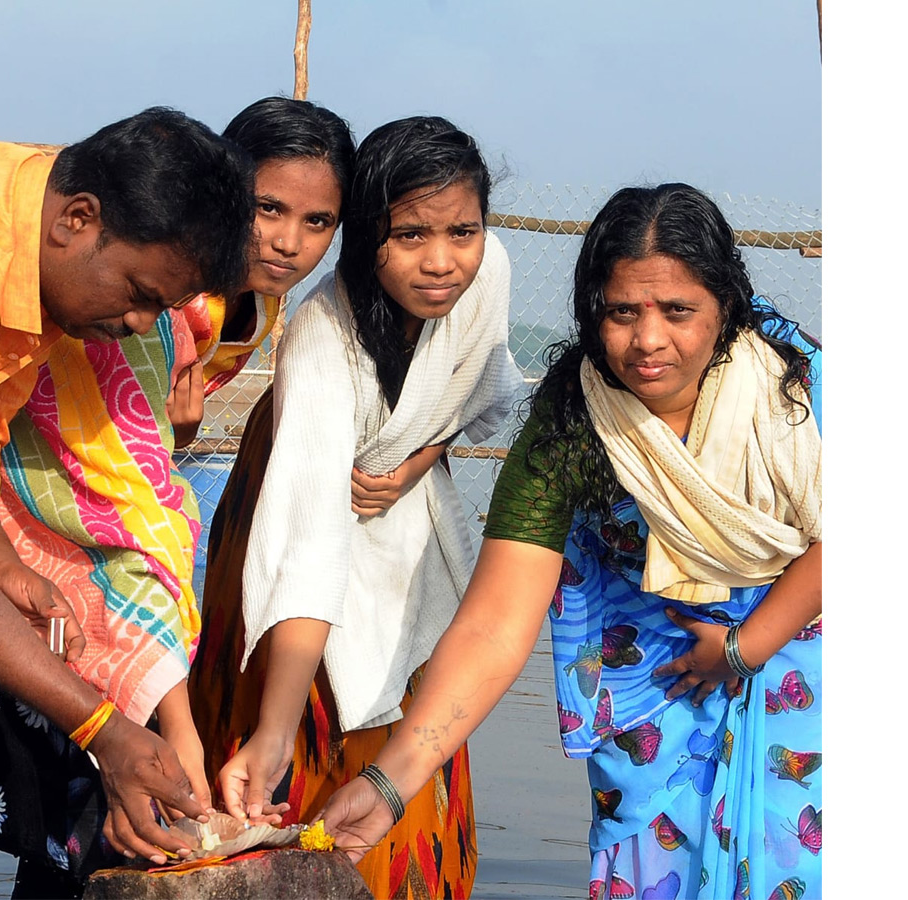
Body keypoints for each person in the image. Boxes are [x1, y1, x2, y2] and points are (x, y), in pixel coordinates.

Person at [0, 97, 356, 897]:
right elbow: (102, 487)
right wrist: (138, 729)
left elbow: (39, 436)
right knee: (95, 827)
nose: (287, 240)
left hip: (43, 564)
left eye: (317, 221)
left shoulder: (230, 299)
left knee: (100, 826)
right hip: (45, 571)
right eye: (268, 208)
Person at [320, 183, 822, 900]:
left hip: (805, 679)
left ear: (726, 308)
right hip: (658, 703)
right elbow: (496, 624)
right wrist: (390, 782)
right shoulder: (569, 429)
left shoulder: (797, 389)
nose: (648, 341)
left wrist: (745, 649)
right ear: (593, 314)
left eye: (678, 311)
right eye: (622, 313)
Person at [189, 116, 524, 899]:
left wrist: (417, 458)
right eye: (408, 235)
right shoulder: (320, 339)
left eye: (461, 231)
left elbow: (476, 393)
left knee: (413, 731)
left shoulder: (490, 271)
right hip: (287, 523)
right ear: (368, 235)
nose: (441, 261)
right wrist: (271, 734)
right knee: (290, 761)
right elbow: (305, 547)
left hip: (408, 537)